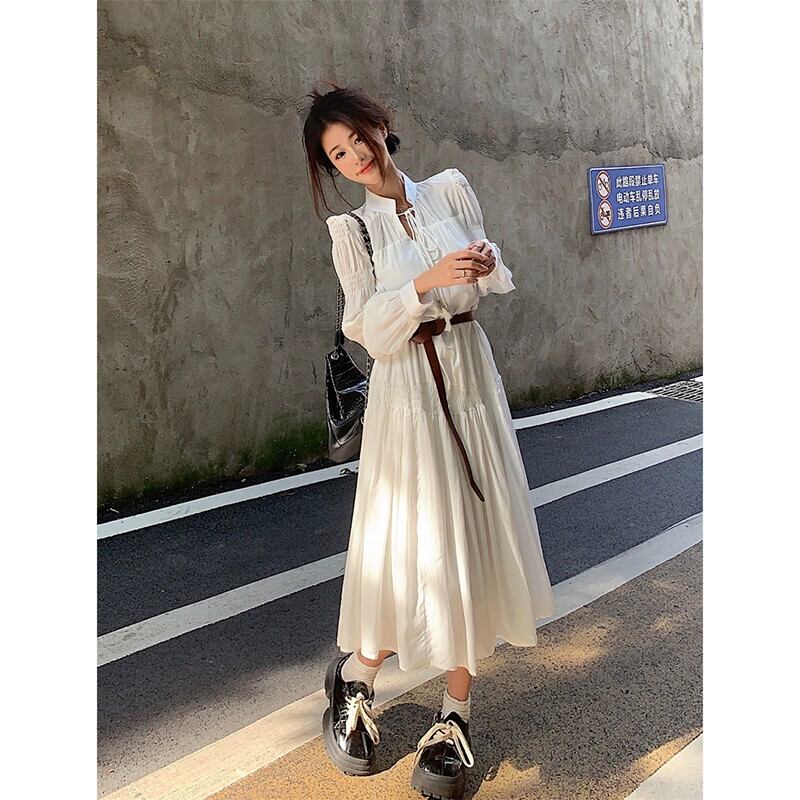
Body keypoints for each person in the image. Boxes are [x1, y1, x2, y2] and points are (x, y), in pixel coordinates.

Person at [303, 83, 556, 799]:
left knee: (472, 540)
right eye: (337, 154)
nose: (355, 156)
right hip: (408, 393)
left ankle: (455, 715)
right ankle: (359, 676)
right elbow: (366, 329)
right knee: (408, 545)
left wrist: (484, 259)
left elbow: (495, 280)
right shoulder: (352, 233)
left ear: (381, 126)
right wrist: (423, 283)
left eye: (358, 137)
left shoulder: (448, 189)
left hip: (471, 377)